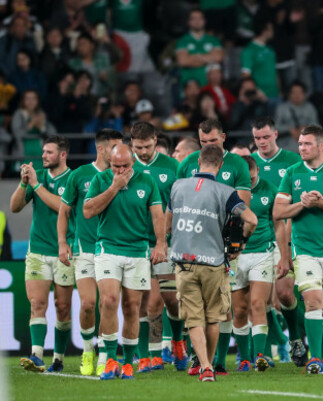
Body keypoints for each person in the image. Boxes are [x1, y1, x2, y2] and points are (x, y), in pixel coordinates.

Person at [167, 145, 258, 382]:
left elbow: (167, 223)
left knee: (194, 318)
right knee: (213, 317)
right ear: (220, 166)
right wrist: (240, 244)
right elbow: (251, 219)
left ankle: (205, 365)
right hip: (214, 263)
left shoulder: (178, 187)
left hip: (184, 262)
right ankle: (209, 364)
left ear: (198, 162)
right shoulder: (225, 191)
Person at [274, 125, 323, 374]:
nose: (301, 148)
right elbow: (278, 212)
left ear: (321, 147)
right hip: (304, 249)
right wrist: (302, 203)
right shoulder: (292, 173)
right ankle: (316, 359)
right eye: (299, 144)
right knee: (313, 303)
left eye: (307, 144)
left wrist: (321, 203)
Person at [83, 144, 167, 380]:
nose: (120, 170)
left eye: (125, 166)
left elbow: (158, 214)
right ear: (109, 162)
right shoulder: (101, 180)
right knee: (109, 300)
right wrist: (114, 187)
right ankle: (110, 359)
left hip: (137, 250)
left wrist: (160, 243)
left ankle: (128, 362)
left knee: (132, 307)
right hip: (108, 248)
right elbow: (88, 211)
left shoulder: (147, 181)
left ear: (133, 162)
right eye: (115, 166)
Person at [57, 129, 124, 376]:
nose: (119, 151)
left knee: (108, 304)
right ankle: (88, 351)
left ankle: (105, 357)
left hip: (112, 249)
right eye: (115, 146)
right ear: (102, 149)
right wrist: (63, 243)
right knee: (87, 304)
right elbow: (64, 211)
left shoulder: (123, 176)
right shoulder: (79, 175)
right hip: (84, 249)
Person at [11, 136, 74, 373]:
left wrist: (37, 185)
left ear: (62, 155)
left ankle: (58, 358)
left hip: (64, 250)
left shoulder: (73, 179)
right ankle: (36, 355)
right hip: (37, 249)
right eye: (43, 152)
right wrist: (24, 183)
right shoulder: (38, 175)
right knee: (37, 303)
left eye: (49, 152)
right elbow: (15, 207)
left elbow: (62, 207)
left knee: (62, 307)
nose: (44, 156)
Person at [129, 122, 186, 374]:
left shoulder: (173, 167)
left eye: (147, 146)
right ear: (131, 144)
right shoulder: (124, 167)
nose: (142, 152)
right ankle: (148, 357)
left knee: (172, 300)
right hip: (136, 242)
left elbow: (183, 203)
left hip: (168, 244)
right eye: (138, 147)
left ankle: (177, 342)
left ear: (156, 140)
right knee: (144, 302)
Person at [250, 116, 306, 366]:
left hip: (285, 238)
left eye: (265, 137)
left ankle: (295, 339)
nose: (261, 142)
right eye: (257, 138)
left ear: (275, 134)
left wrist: (289, 245)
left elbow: (297, 204)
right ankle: (269, 348)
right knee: (259, 301)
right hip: (256, 243)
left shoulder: (293, 162)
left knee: (284, 295)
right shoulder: (247, 166)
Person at [230, 156, 290, 372]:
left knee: (258, 304)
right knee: (239, 309)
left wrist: (284, 255)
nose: (249, 179)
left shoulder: (269, 189)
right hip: (236, 256)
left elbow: (279, 224)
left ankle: (260, 355)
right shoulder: (229, 189)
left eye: (252, 175)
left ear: (257, 170)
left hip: (263, 253)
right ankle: (244, 357)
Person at [177, 118, 252, 204]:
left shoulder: (239, 164)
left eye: (213, 140)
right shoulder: (187, 162)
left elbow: (243, 204)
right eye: (204, 141)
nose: (208, 145)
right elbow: (177, 200)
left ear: (223, 137)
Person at [175, 9, 223, 88]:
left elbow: (218, 58)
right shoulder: (182, 41)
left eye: (200, 18)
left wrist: (195, 57)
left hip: (209, 86)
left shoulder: (214, 40)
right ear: (188, 22)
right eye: (193, 19)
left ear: (204, 21)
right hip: (189, 86)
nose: (197, 21)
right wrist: (208, 58)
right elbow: (183, 61)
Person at [241, 19, 279, 102]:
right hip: (260, 97)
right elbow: (245, 75)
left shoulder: (270, 49)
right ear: (263, 31)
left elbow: (274, 72)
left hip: (275, 95)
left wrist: (279, 91)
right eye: (270, 29)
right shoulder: (249, 50)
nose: (273, 32)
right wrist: (256, 93)